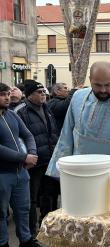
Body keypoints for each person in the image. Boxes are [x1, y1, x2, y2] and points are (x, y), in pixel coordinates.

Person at [15, 80, 60, 236]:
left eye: (43, 92)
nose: (43, 95)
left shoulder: (47, 108)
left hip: (49, 159)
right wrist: (26, 156)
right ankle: (31, 232)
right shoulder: (21, 111)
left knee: (49, 195)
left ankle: (47, 226)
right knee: (31, 199)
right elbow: (19, 138)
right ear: (29, 95)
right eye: (39, 93)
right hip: (33, 162)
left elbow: (53, 132)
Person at [0, 83, 41, 247]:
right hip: (2, 173)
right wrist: (24, 157)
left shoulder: (11, 115)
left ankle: (26, 240)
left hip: (21, 173)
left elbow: (28, 135)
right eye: (3, 94)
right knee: (1, 213)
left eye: (8, 94)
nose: (7, 97)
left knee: (23, 210)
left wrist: (32, 153)